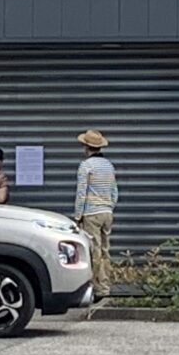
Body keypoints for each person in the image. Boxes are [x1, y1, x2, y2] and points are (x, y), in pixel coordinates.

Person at [73, 129, 118, 301]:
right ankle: (105, 286)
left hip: (91, 213)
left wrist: (78, 216)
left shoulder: (86, 166)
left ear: (86, 147)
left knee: (94, 251)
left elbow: (81, 193)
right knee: (105, 250)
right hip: (107, 212)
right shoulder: (109, 165)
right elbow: (114, 191)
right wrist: (109, 206)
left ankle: (95, 287)